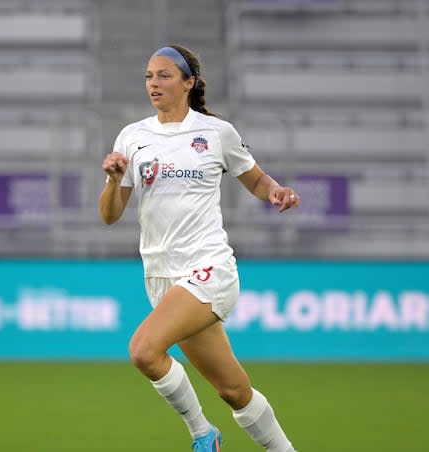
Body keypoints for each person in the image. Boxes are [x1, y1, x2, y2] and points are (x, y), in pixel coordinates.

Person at [99, 45, 300, 452]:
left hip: (209, 267)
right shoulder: (132, 136)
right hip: (162, 277)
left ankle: (202, 433)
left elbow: (256, 179)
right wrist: (111, 180)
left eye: (164, 75)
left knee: (143, 350)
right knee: (232, 389)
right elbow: (109, 214)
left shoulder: (215, 133)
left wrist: (276, 191)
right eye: (148, 76)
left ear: (188, 82)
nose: (153, 84)